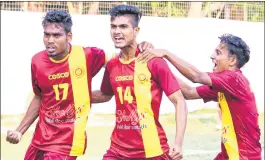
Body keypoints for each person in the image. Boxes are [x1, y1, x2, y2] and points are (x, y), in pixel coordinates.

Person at [5, 10, 153, 160]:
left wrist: (143, 47)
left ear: (69, 37)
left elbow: (123, 58)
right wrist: (19, 131)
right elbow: (39, 97)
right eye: (47, 34)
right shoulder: (37, 61)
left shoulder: (87, 55)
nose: (50, 40)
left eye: (56, 35)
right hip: (39, 140)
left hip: (67, 143)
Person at [137, 34, 262, 159]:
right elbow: (188, 92)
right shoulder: (225, 85)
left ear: (232, 61)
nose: (212, 56)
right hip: (228, 155)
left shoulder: (234, 79)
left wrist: (165, 53)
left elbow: (196, 76)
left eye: (218, 53)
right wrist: (159, 66)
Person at [92, 5, 187, 160]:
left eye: (123, 27)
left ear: (136, 31)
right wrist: (72, 95)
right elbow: (105, 94)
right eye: (113, 27)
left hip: (151, 150)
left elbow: (179, 101)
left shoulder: (153, 62)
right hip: (117, 151)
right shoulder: (112, 65)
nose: (117, 32)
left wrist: (178, 143)